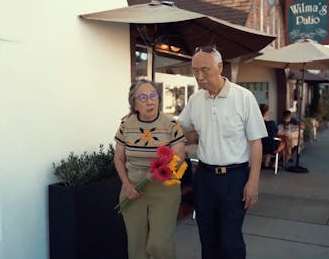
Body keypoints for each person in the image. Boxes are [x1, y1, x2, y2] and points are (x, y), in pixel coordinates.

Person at [178, 45, 267, 259]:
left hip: (234, 178)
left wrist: (253, 181)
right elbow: (181, 129)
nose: (199, 76)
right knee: (207, 237)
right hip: (205, 177)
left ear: (219, 67)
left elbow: (256, 142)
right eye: (195, 70)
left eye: (205, 70)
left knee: (230, 240)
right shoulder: (195, 100)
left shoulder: (243, 97)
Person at [113, 79, 186, 259]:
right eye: (143, 97)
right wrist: (127, 185)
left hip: (164, 190)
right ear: (134, 104)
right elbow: (119, 158)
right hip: (132, 189)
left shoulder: (171, 125)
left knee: (159, 245)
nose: (150, 101)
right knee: (137, 248)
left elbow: (179, 156)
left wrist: (159, 170)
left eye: (153, 96)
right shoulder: (126, 125)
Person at [259, 104, 279, 169]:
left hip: (260, 145)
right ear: (267, 112)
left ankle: (266, 161)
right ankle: (273, 163)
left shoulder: (256, 124)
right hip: (272, 146)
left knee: (266, 141)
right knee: (283, 142)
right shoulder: (271, 124)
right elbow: (276, 132)